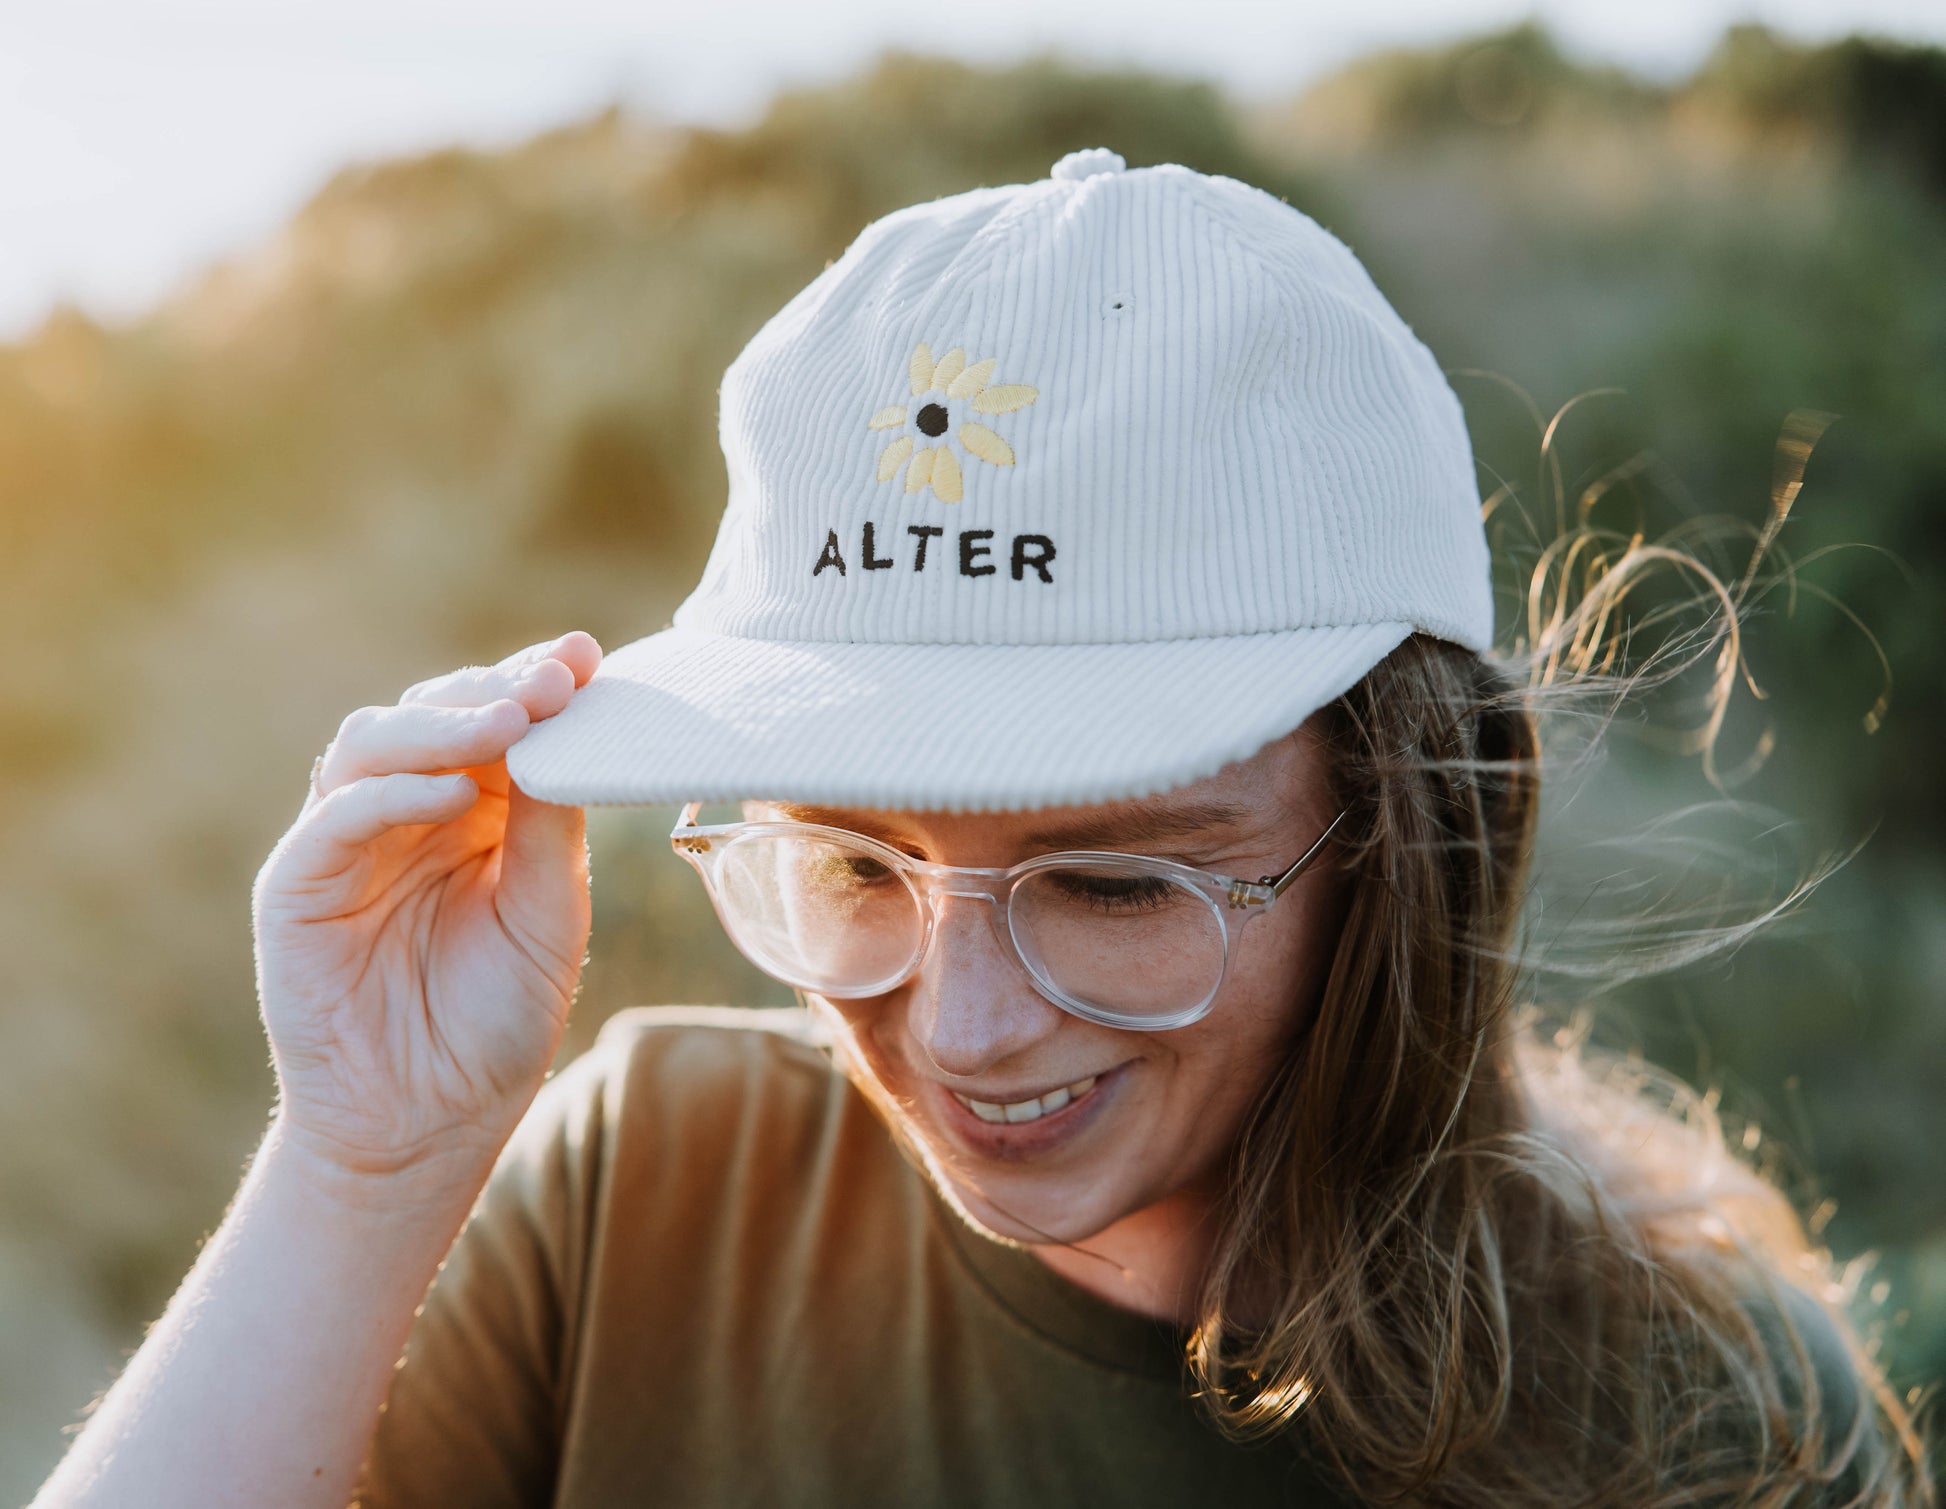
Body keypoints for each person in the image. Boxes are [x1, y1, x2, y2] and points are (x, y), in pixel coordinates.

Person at [32, 148, 1929, 1508]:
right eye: (854, 862)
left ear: (1409, 838)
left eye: (1112, 878)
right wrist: (358, 1169)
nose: (958, 1030)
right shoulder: (645, 1192)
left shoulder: (1705, 1412)